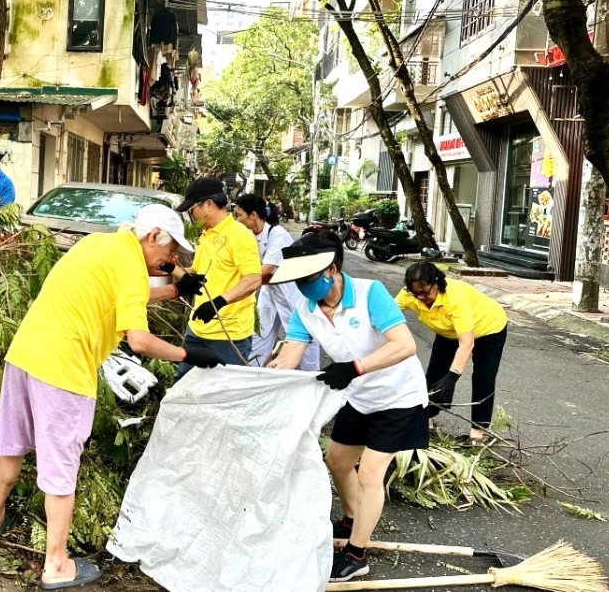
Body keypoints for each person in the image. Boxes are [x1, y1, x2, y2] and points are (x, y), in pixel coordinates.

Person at [0, 205, 222, 590]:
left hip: (25, 354)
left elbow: (124, 296)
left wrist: (176, 288)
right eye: (171, 252)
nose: (172, 260)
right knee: (60, 470)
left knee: (12, 446)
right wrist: (190, 354)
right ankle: (56, 565)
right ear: (154, 235)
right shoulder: (129, 264)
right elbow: (139, 341)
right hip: (63, 371)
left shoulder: (100, 244)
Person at [266, 233, 428, 583]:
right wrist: (258, 380)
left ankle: (356, 555)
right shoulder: (304, 310)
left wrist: (354, 367)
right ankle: (355, 518)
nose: (302, 287)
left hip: (399, 397)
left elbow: (405, 346)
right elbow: (290, 357)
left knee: (370, 473)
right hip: (359, 397)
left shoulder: (371, 294)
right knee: (337, 461)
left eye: (307, 279)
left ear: (332, 270)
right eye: (297, 281)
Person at [396, 262, 508, 442]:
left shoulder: (454, 298)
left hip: (488, 328)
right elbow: (387, 317)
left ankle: (478, 433)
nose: (420, 297)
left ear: (437, 282)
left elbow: (467, 343)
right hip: (448, 332)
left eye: (424, 291)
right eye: (416, 293)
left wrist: (452, 376)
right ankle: (427, 420)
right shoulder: (409, 295)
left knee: (483, 378)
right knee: (434, 374)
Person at [173, 177, 262, 378]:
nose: (191, 215)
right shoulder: (206, 235)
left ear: (209, 205)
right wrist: (169, 266)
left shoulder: (239, 234)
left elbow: (253, 279)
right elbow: (197, 275)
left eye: (192, 209)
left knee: (222, 394)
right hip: (197, 328)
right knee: (184, 385)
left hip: (229, 333)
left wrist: (219, 302)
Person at [235, 194, 321, 370]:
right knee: (260, 332)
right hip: (270, 290)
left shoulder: (278, 234)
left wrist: (239, 284)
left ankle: (313, 377)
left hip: (290, 292)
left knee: (302, 336)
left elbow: (265, 270)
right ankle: (250, 373)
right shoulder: (248, 235)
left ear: (253, 215)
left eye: (239, 214)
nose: (237, 219)